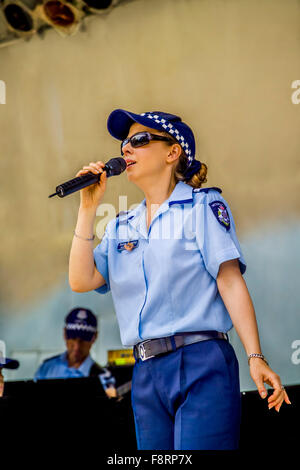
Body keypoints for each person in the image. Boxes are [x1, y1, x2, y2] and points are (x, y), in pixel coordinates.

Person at [68, 109, 291, 450]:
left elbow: (229, 281)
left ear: (173, 153)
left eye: (139, 140)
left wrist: (255, 357)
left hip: (200, 357)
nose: (126, 149)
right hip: (145, 370)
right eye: (125, 143)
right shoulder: (121, 225)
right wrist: (87, 208)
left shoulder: (202, 207)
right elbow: (81, 280)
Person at [34, 307, 117, 398]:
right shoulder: (46, 368)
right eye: (73, 338)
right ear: (65, 333)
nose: (77, 346)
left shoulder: (104, 377)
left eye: (83, 339)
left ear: (95, 337)